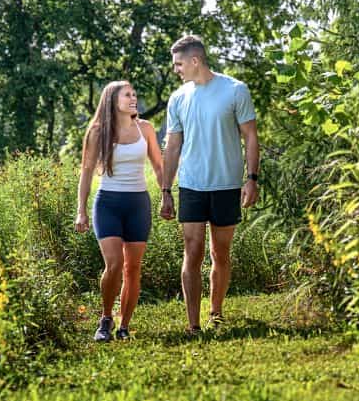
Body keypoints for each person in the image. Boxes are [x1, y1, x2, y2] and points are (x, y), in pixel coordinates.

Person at [159, 35, 259, 335]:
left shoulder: (235, 90)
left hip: (227, 184)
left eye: (178, 64)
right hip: (191, 184)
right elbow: (173, 146)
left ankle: (216, 311)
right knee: (193, 249)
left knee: (221, 252)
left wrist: (251, 179)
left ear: (194, 60)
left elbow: (251, 137)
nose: (176, 69)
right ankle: (193, 324)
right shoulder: (178, 98)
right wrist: (166, 190)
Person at [75, 81, 164, 342]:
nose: (134, 98)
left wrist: (167, 195)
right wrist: (81, 210)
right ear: (113, 100)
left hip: (138, 204)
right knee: (114, 264)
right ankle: (105, 319)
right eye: (128, 95)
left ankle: (124, 326)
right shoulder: (97, 132)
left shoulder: (145, 128)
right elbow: (87, 172)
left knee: (132, 268)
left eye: (135, 94)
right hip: (108, 204)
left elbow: (158, 166)